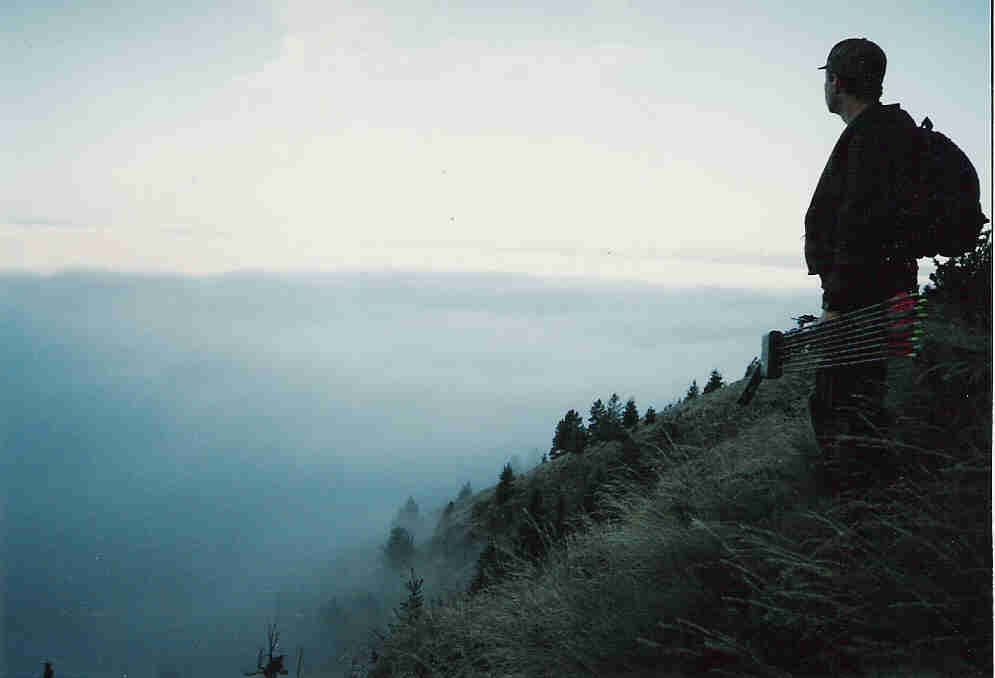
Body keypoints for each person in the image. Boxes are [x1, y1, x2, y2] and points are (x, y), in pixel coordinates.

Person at [803, 38, 921, 496]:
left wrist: (836, 305)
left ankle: (862, 516)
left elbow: (858, 228)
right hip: (891, 292)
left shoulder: (870, 139)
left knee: (839, 406)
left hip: (862, 303)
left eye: (827, 79)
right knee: (861, 400)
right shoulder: (888, 133)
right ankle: (873, 507)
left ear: (836, 81)